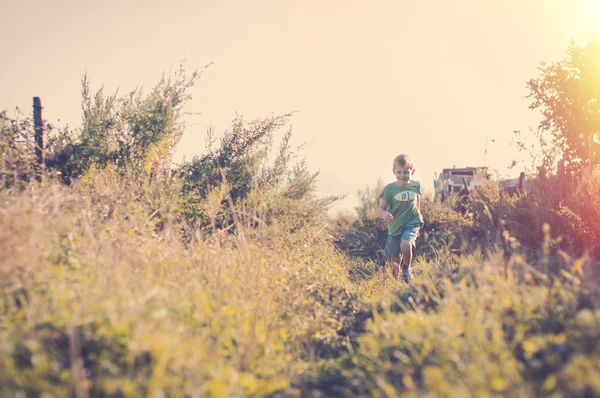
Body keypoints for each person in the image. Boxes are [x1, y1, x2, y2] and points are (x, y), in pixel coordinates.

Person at [378, 154, 424, 283]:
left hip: (412, 222)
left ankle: (407, 268)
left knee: (405, 243)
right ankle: (397, 285)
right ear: (394, 171)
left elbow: (417, 198)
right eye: (399, 172)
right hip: (395, 226)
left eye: (406, 172)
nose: (402, 175)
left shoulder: (415, 185)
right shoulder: (389, 189)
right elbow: (380, 208)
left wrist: (419, 213)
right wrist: (385, 214)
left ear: (412, 172)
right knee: (393, 262)